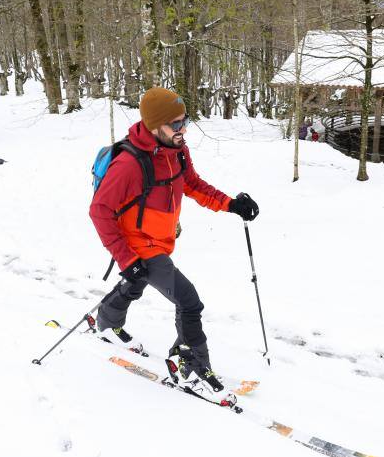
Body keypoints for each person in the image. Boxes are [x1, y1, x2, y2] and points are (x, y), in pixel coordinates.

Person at [89, 87, 259, 399]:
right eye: (176, 124)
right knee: (189, 301)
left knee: (136, 282)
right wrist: (127, 259)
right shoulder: (128, 165)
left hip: (161, 238)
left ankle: (107, 321)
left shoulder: (177, 151)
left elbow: (192, 184)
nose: (184, 130)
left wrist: (231, 204)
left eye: (185, 121)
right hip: (139, 245)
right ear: (155, 125)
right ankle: (189, 367)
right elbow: (100, 211)